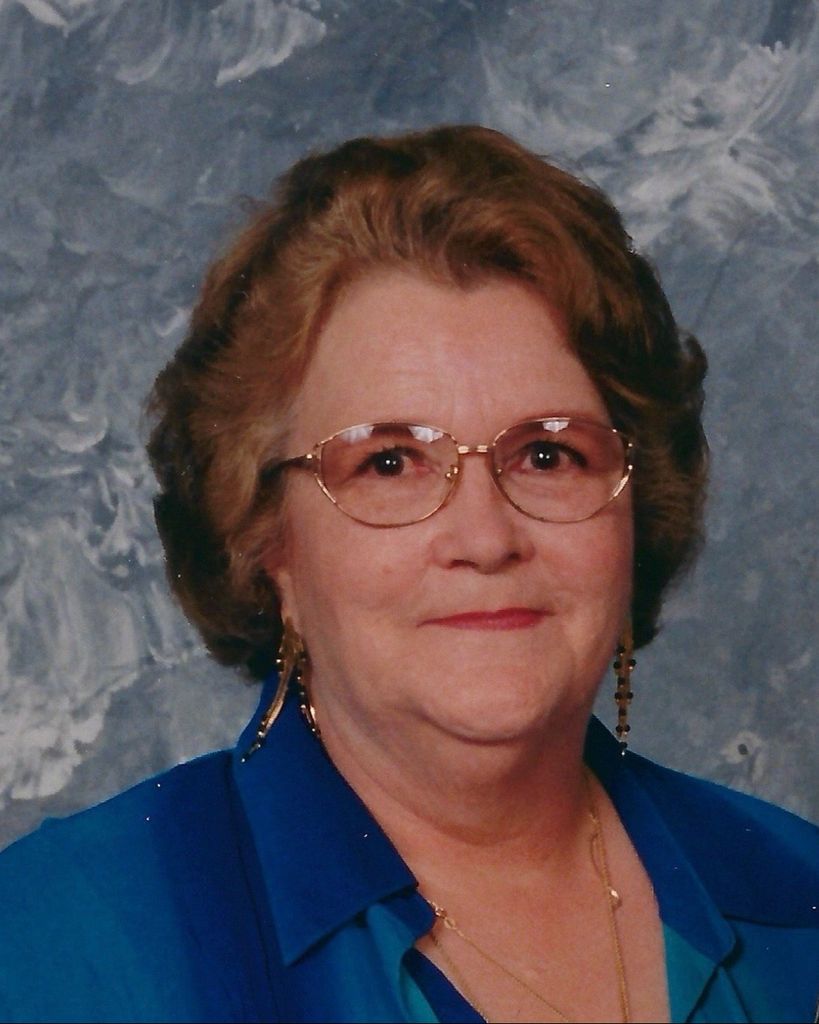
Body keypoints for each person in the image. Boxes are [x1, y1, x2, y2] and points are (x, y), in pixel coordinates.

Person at [0, 125, 816, 1024]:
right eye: (388, 464)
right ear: (266, 541)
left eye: (547, 455)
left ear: (635, 510)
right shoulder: (61, 939)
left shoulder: (797, 898)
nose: (486, 537)